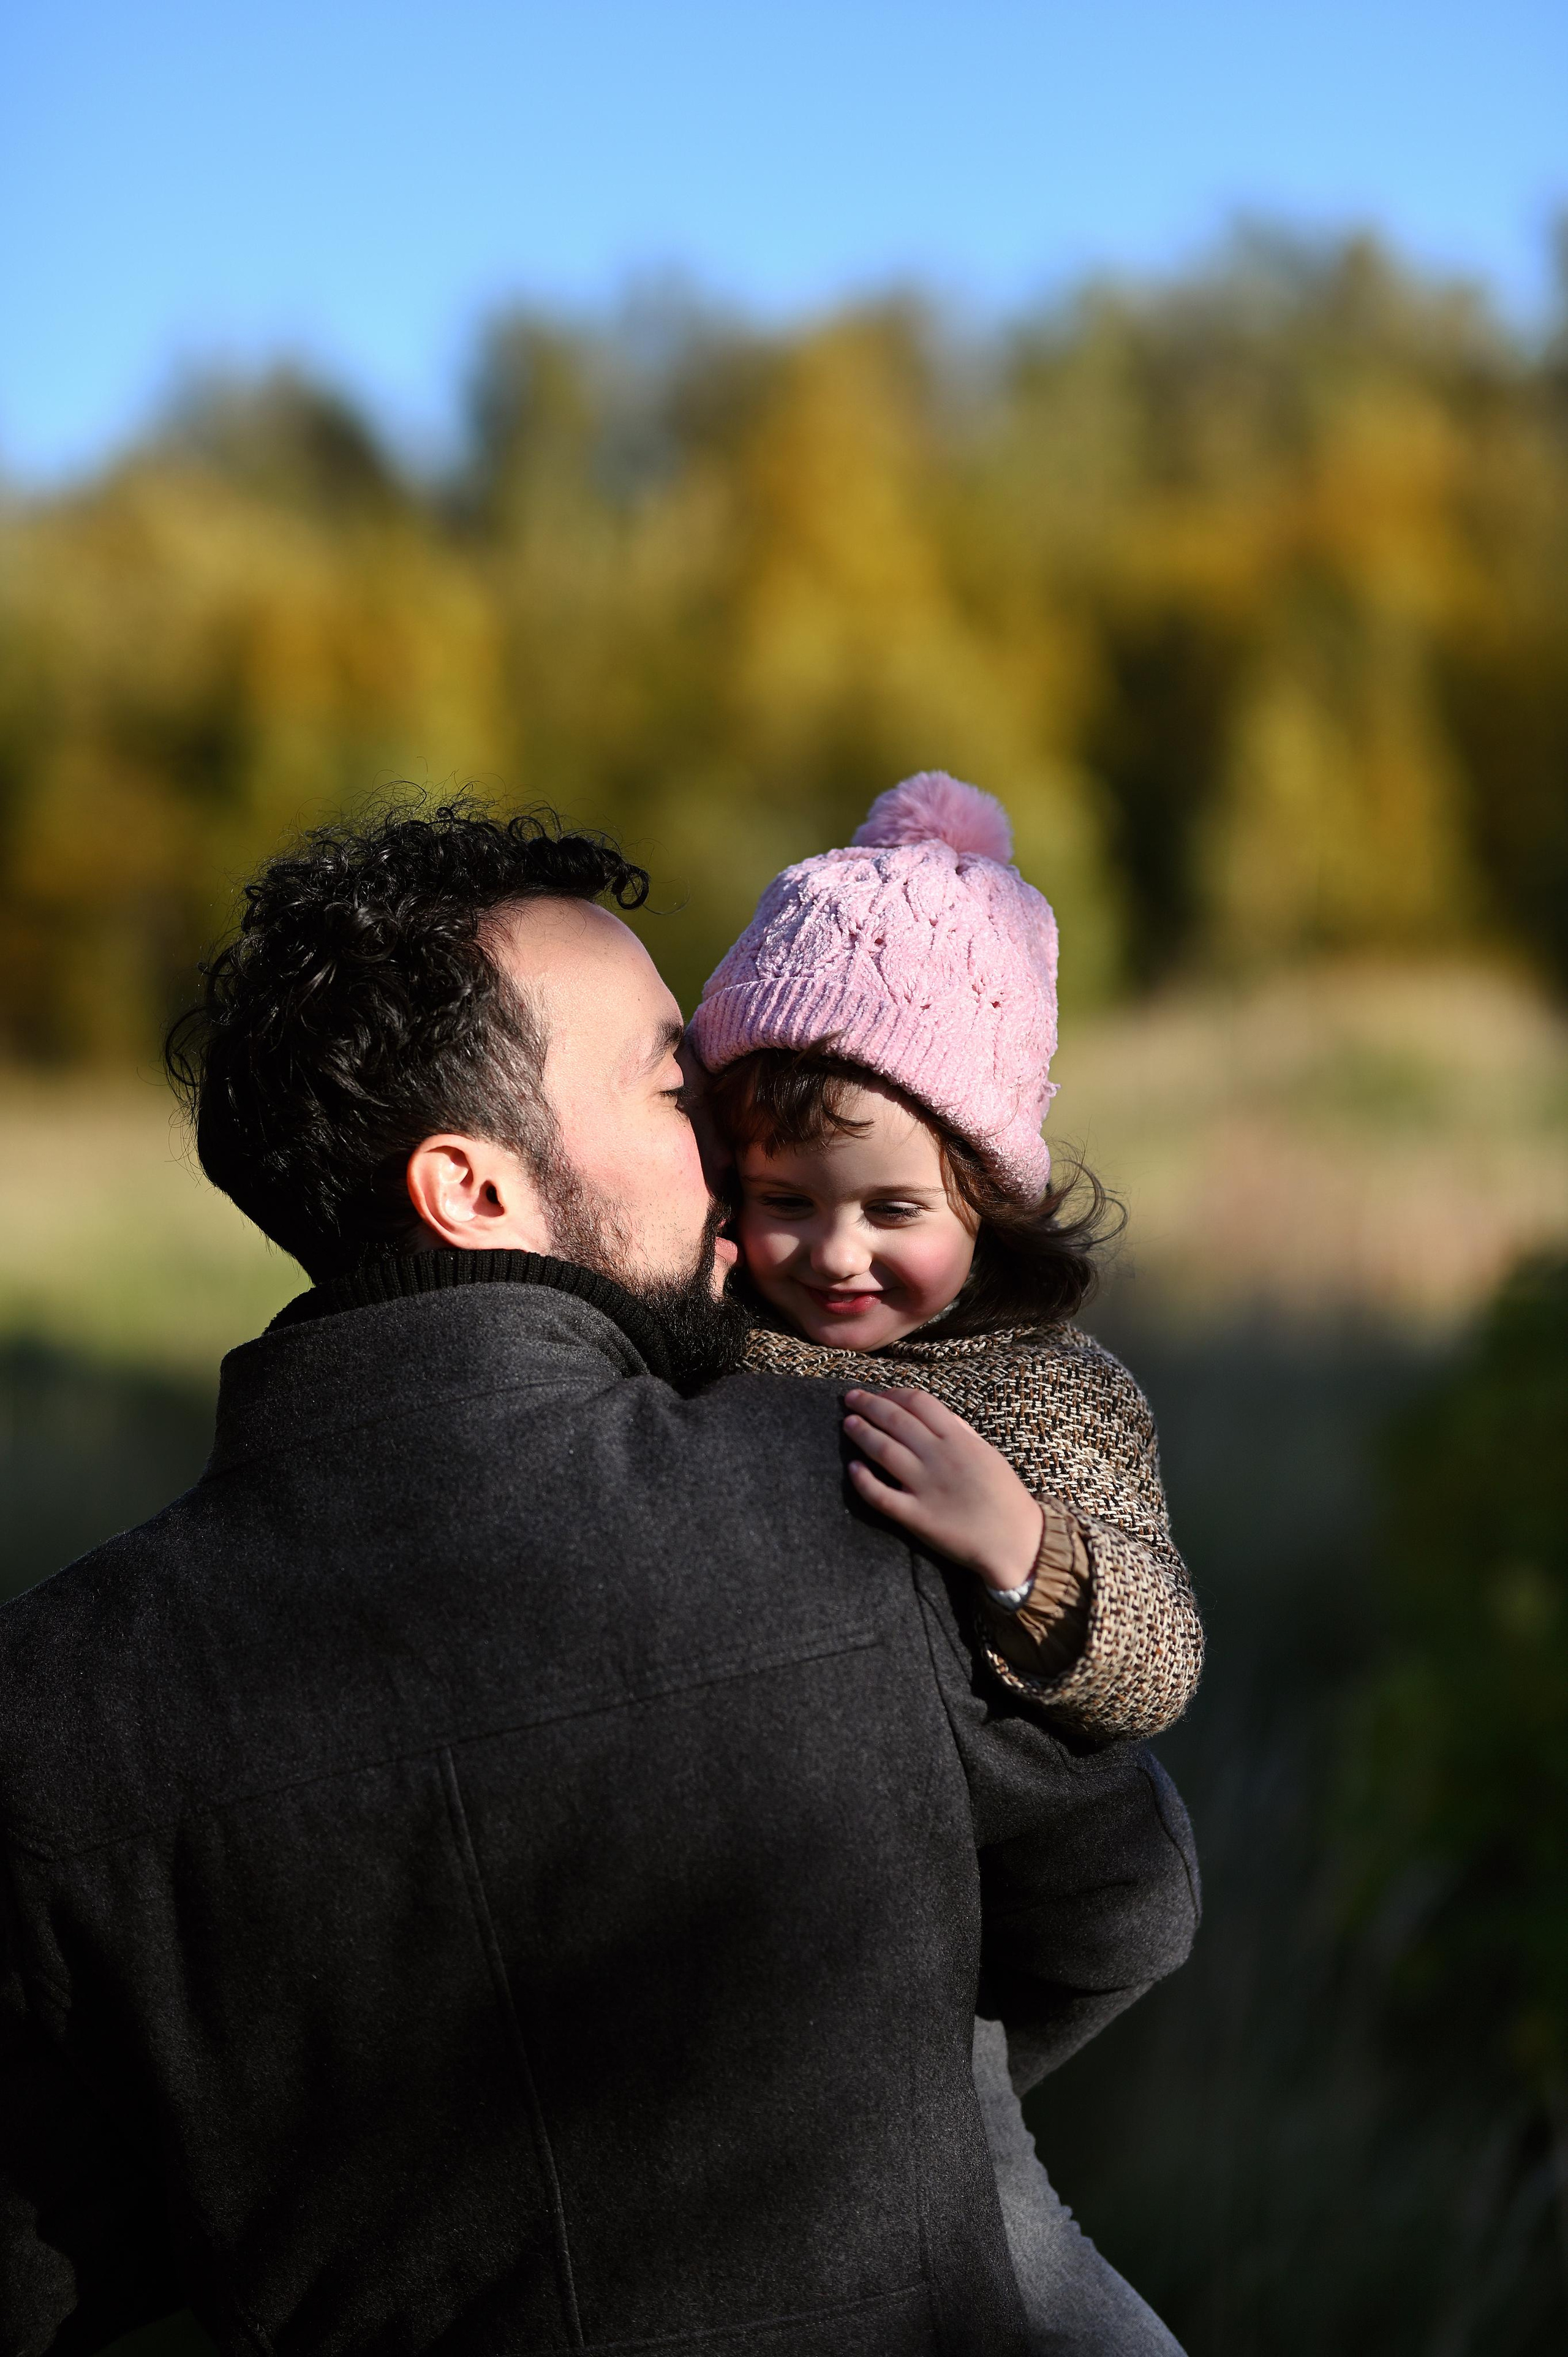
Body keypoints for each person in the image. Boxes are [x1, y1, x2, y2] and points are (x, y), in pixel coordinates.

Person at [0, 803, 1199, 2357]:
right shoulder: (846, 1490)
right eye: (672, 1088)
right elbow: (1123, 1904)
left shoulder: (47, 1707)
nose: (735, 1145)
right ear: (471, 1189)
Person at [689, 771, 1203, 2353]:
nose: (835, 1257)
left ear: (986, 1191)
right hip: (689, 1958)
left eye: (891, 1208)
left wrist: (1027, 1553)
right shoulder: (717, 1350)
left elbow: (1160, 1657)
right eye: (784, 1205)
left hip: (933, 1992)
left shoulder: (1050, 1394)